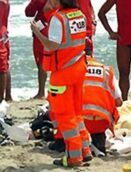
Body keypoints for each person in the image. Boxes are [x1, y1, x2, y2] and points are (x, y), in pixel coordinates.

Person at [31, 0, 92, 167]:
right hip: (79, 68)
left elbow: (52, 44)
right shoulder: (79, 14)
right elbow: (68, 40)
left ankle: (74, 157)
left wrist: (37, 32)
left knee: (64, 115)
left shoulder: (59, 18)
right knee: (77, 113)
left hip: (63, 72)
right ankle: (85, 151)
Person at [98, 0, 131, 101]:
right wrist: (110, 32)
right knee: (124, 73)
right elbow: (101, 13)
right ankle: (124, 103)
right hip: (123, 41)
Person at [82, 56, 122, 155]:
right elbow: (119, 101)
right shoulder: (106, 70)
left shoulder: (73, 70)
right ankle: (98, 142)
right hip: (101, 121)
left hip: (80, 122)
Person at [25, 0, 48, 99]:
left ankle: (41, 92)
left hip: (42, 30)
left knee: (41, 63)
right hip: (59, 26)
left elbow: (29, 12)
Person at [0, 0, 12, 103]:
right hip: (3, 34)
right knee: (5, 66)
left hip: (1, 35)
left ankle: (2, 99)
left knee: (2, 68)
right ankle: (7, 96)